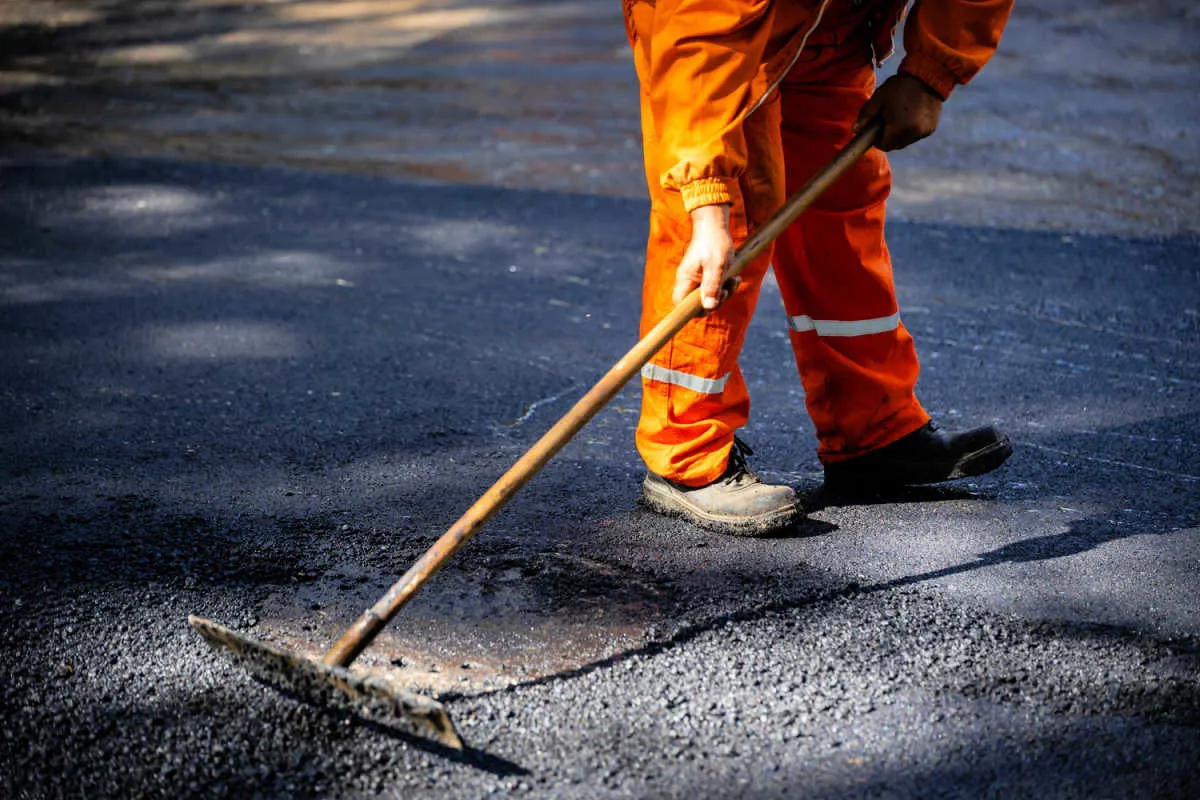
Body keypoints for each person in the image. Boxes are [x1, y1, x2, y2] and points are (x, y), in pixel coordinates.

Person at [624, 0, 1016, 535]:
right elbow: (699, 41)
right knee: (726, 226)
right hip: (718, 36)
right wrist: (706, 199)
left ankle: (872, 428)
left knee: (841, 198)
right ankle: (684, 453)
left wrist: (931, 73)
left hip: (836, 24)